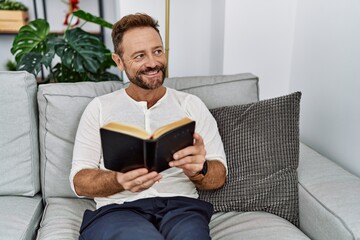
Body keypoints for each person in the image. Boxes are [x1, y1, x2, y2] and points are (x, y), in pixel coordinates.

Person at [70, 13, 227, 240]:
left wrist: (199, 170)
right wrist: (118, 180)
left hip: (182, 209)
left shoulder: (191, 105)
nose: (153, 63)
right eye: (140, 56)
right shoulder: (100, 108)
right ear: (119, 61)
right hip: (119, 210)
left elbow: (218, 176)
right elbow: (79, 181)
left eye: (157, 51)